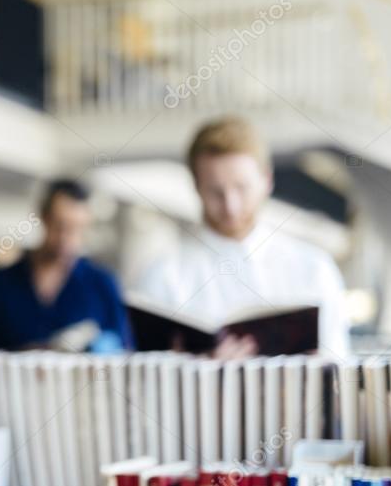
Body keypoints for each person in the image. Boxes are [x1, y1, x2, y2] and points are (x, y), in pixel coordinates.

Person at [131, 116, 350, 358]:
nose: (230, 206)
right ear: (196, 186)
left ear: (266, 181)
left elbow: (338, 368)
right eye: (216, 191)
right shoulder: (163, 276)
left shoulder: (315, 268)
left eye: (241, 188)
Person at [0, 179, 133, 352]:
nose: (65, 238)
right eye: (60, 226)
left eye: (76, 228)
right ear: (43, 217)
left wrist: (96, 347)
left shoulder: (102, 284)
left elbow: (124, 351)